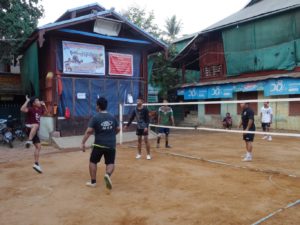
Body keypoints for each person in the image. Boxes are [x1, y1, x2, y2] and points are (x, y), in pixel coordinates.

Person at [81, 97, 120, 190]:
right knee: (110, 162)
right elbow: (118, 129)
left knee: (93, 161)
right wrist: (111, 134)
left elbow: (89, 131)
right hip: (111, 145)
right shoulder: (112, 116)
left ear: (98, 106)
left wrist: (83, 142)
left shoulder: (95, 117)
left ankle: (93, 182)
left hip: (99, 144)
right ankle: (107, 175)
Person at [20, 95, 48, 173]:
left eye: (39, 100)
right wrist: (27, 100)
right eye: (37, 100)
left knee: (38, 147)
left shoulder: (40, 109)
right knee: (36, 125)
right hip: (28, 127)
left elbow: (46, 113)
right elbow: (22, 109)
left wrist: (44, 105)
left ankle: (36, 164)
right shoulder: (31, 109)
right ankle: (29, 140)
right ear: (33, 103)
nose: (39, 101)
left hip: (34, 131)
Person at [124, 95, 151, 160]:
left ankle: (148, 155)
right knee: (139, 141)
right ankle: (139, 154)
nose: (137, 102)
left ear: (142, 102)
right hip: (139, 127)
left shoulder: (145, 109)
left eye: (139, 101)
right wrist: (127, 125)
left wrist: (146, 127)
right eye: (137, 101)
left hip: (145, 127)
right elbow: (131, 118)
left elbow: (147, 119)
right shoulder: (135, 109)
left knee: (146, 140)